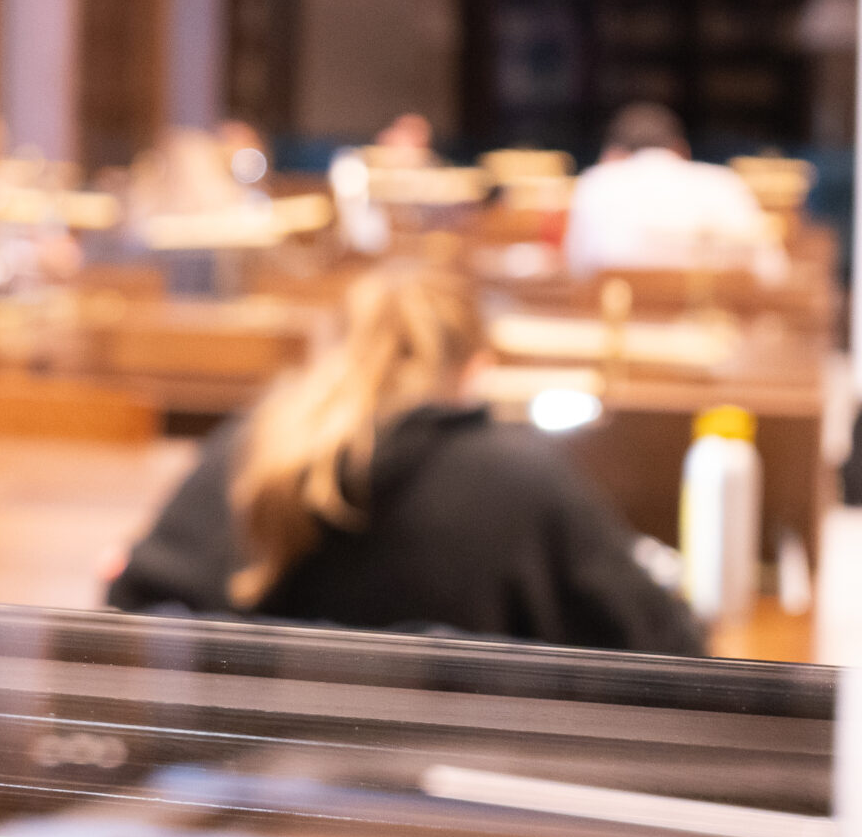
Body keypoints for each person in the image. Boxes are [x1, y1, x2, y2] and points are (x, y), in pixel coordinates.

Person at [107, 262, 702, 653]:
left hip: (255, 792)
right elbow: (667, 649)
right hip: (467, 797)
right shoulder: (522, 476)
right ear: (475, 367)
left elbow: (129, 608)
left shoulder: (250, 445)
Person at [562, 101, 781, 282]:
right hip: (723, 315)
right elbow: (773, 270)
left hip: (623, 315)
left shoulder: (598, 182)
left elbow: (577, 270)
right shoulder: (724, 182)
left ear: (613, 154)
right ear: (681, 149)